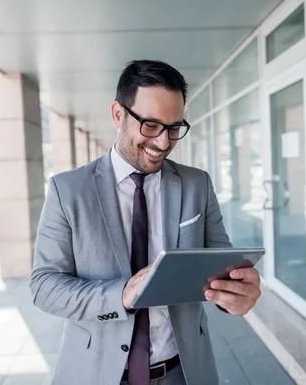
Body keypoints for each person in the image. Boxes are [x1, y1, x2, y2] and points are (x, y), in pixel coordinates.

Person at [30, 60, 261, 385]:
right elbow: (45, 287)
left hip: (183, 371)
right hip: (97, 373)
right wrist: (121, 294)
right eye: (151, 125)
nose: (163, 143)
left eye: (174, 128)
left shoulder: (197, 184)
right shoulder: (68, 190)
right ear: (117, 115)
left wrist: (235, 294)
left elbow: (221, 265)